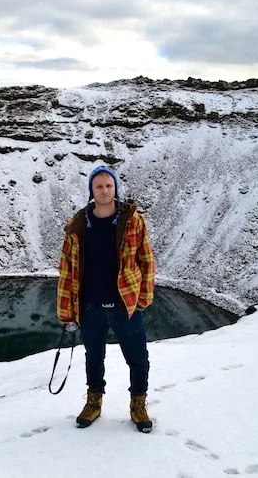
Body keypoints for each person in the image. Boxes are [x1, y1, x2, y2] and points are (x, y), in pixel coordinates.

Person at [56, 165, 156, 433]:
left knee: (138, 358)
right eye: (99, 186)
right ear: (92, 189)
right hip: (91, 305)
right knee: (93, 357)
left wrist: (143, 297)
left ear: (115, 188)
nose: (104, 191)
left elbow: (146, 260)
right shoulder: (78, 224)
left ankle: (138, 404)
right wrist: (67, 311)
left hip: (125, 304)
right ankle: (94, 401)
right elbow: (67, 269)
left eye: (108, 186)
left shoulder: (132, 221)